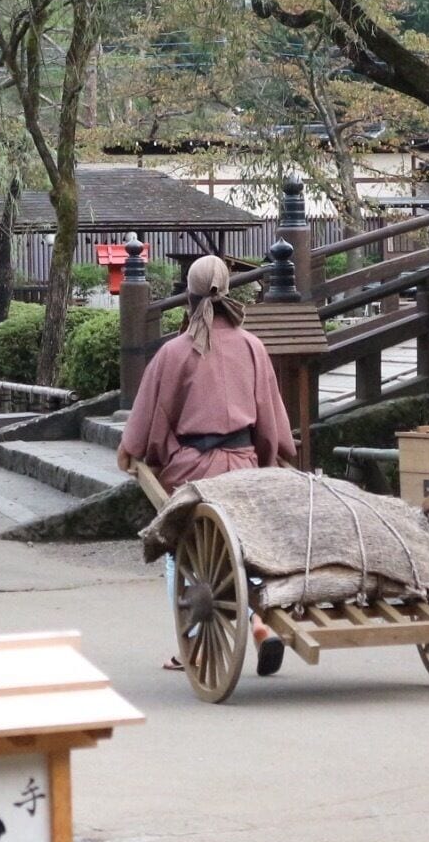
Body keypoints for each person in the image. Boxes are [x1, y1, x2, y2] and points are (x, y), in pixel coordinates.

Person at [117, 255, 296, 675]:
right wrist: (266, 462)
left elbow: (149, 426)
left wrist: (137, 452)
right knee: (247, 552)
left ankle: (191, 645)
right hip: (245, 467)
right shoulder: (252, 346)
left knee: (179, 547)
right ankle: (258, 622)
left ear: (189, 295)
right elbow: (271, 426)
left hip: (194, 471)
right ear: (228, 292)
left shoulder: (174, 352)